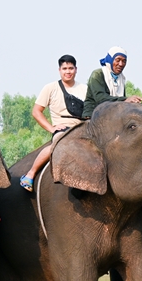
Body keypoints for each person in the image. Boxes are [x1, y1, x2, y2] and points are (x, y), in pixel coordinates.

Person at [19, 55, 88, 192]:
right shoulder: (50, 88)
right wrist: (51, 128)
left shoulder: (85, 89)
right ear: (59, 70)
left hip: (83, 128)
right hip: (63, 129)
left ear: (76, 69)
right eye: (65, 68)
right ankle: (30, 174)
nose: (68, 71)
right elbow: (36, 111)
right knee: (56, 146)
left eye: (71, 68)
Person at [81, 47, 142, 118]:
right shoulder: (97, 74)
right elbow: (100, 98)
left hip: (112, 115)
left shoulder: (121, 78)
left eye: (124, 61)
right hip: (93, 115)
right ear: (110, 60)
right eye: (118, 60)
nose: (121, 64)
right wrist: (125, 100)